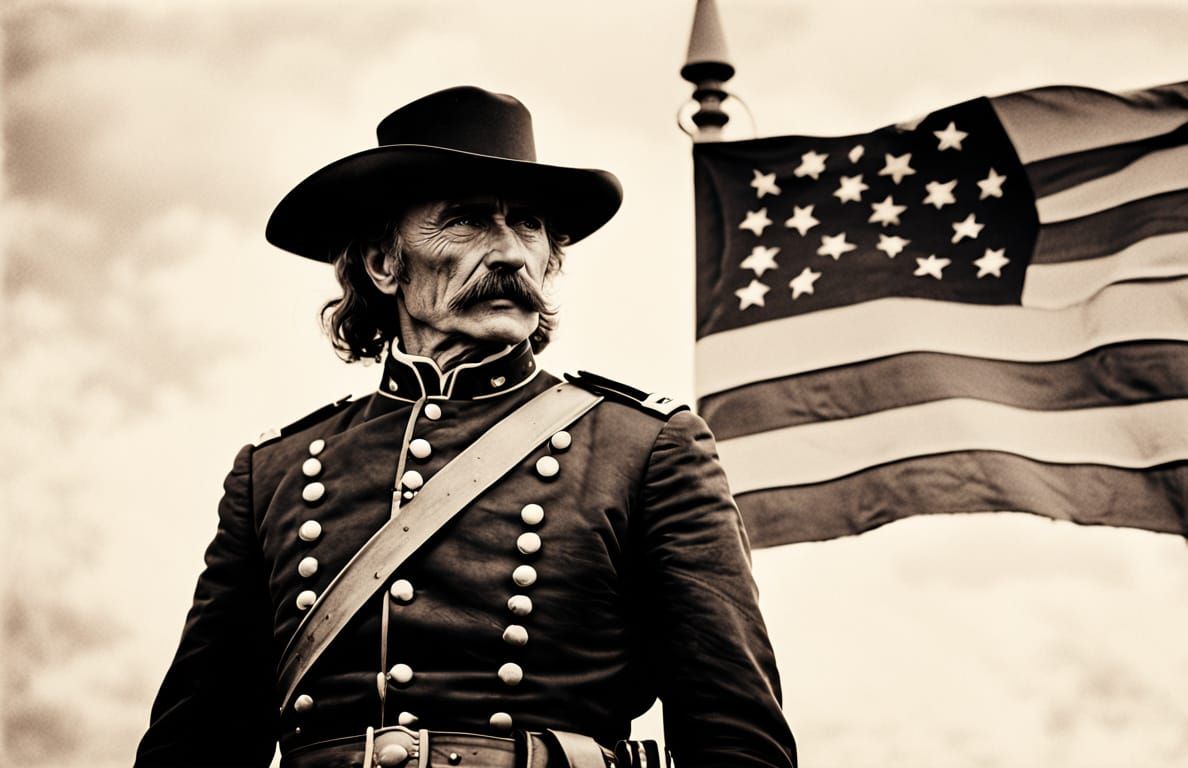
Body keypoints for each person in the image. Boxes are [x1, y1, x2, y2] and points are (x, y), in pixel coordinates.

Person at [135, 86, 796, 768]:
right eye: (469, 221)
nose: (509, 252)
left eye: (529, 226)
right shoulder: (272, 473)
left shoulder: (648, 448)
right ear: (383, 263)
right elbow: (195, 742)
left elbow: (736, 741)